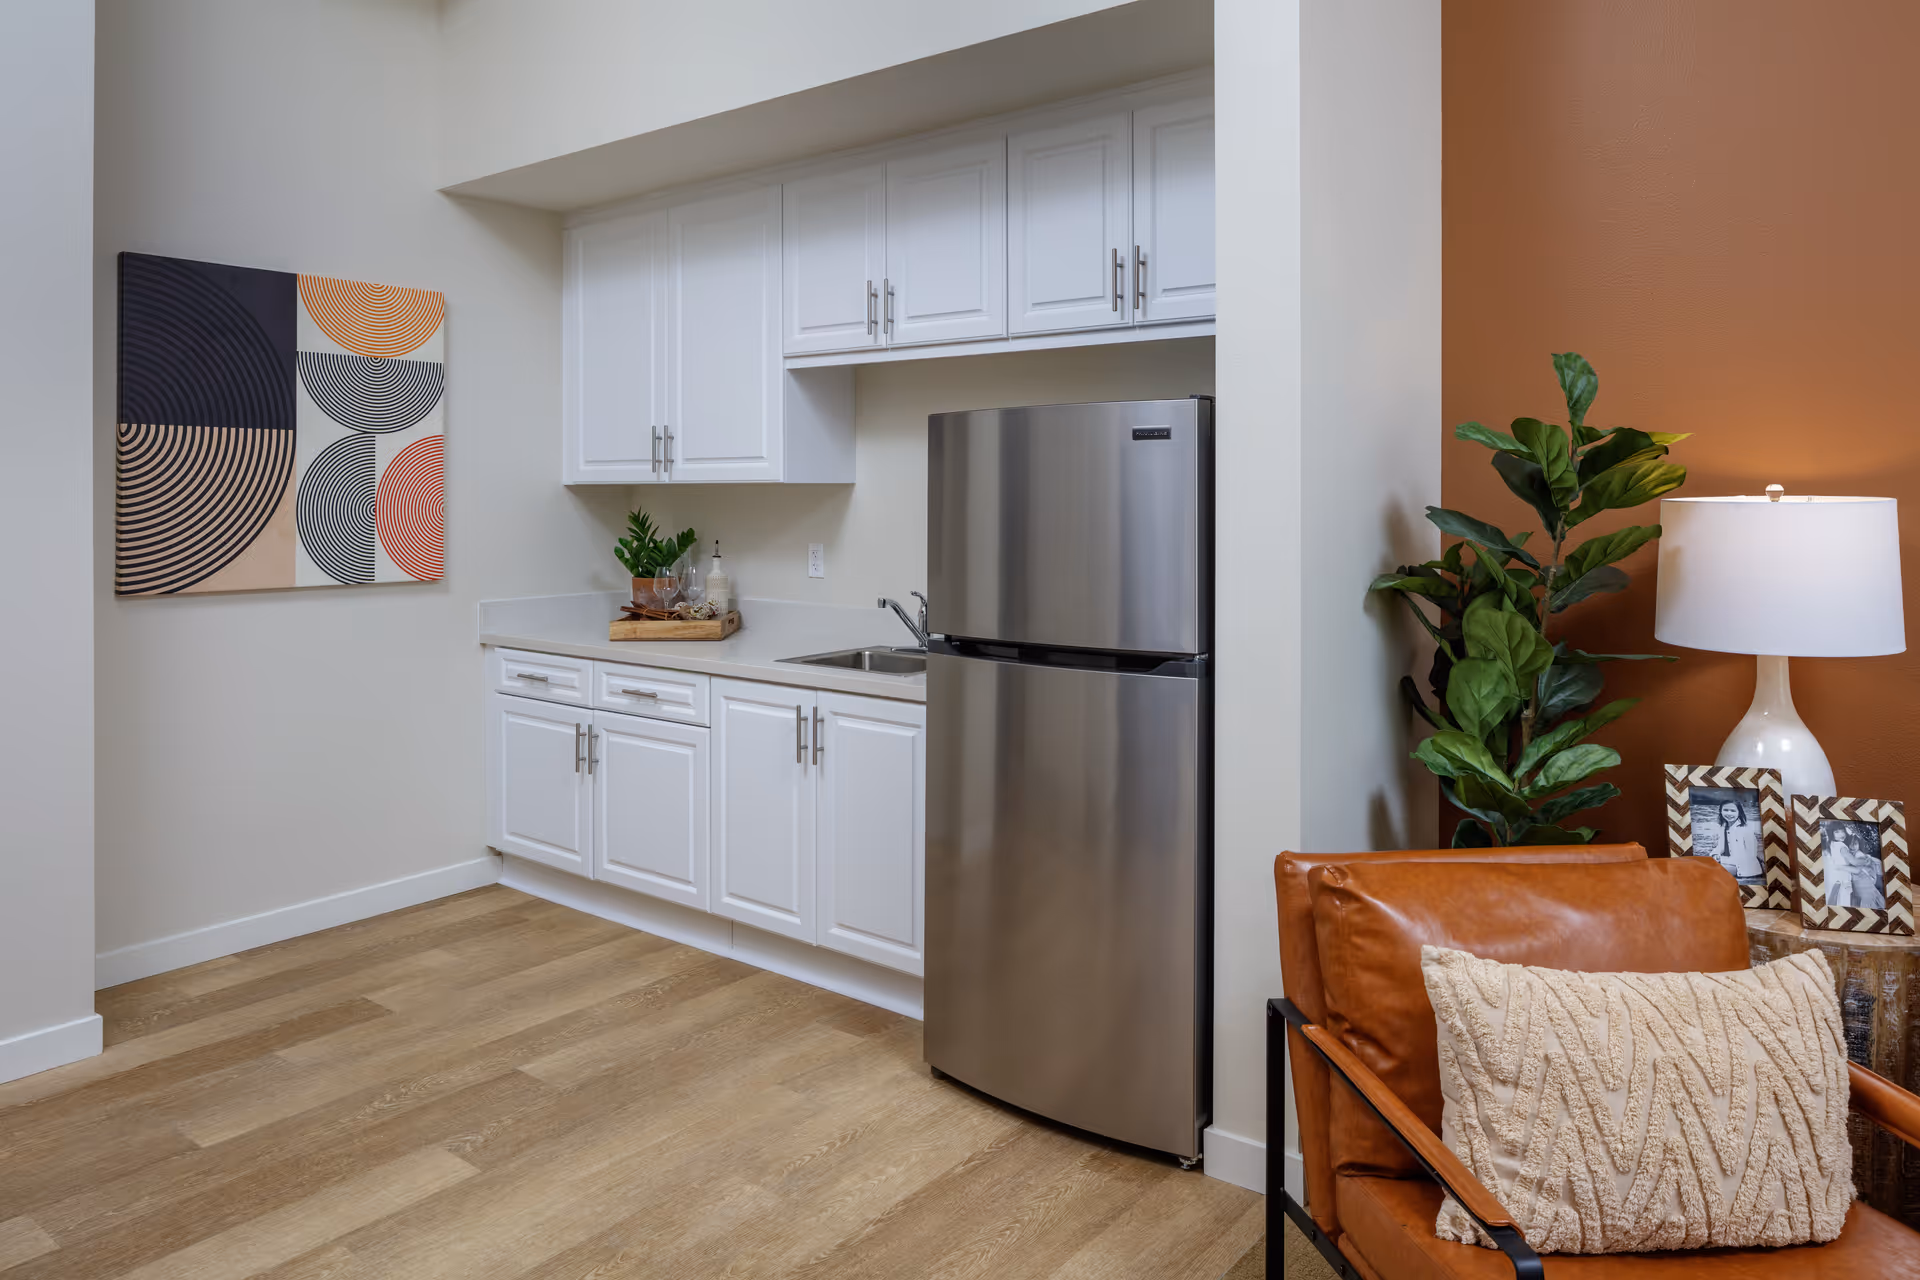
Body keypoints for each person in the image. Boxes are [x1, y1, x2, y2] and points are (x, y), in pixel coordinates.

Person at [1711, 798, 1764, 885]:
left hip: (1745, 869)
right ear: (1720, 811)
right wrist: (1715, 854)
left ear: (1739, 813)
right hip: (1731, 864)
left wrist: (1722, 859)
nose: (1729, 813)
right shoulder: (1723, 827)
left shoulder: (1745, 829)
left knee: (1710, 871)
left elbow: (1751, 855)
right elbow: (1720, 847)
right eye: (1725, 810)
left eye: (1733, 811)